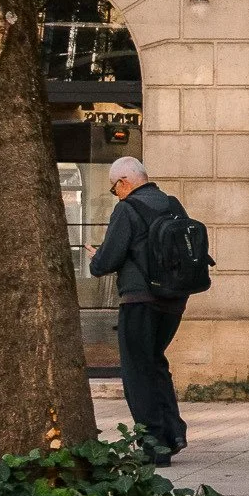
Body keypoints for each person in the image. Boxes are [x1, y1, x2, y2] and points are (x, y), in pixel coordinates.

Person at [86, 157, 192, 465]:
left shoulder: (127, 208)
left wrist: (96, 258)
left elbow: (108, 260)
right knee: (155, 363)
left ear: (124, 183)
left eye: (114, 188)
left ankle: (154, 445)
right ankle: (174, 434)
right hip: (173, 301)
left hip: (139, 300)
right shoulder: (172, 204)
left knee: (137, 372)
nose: (115, 194)